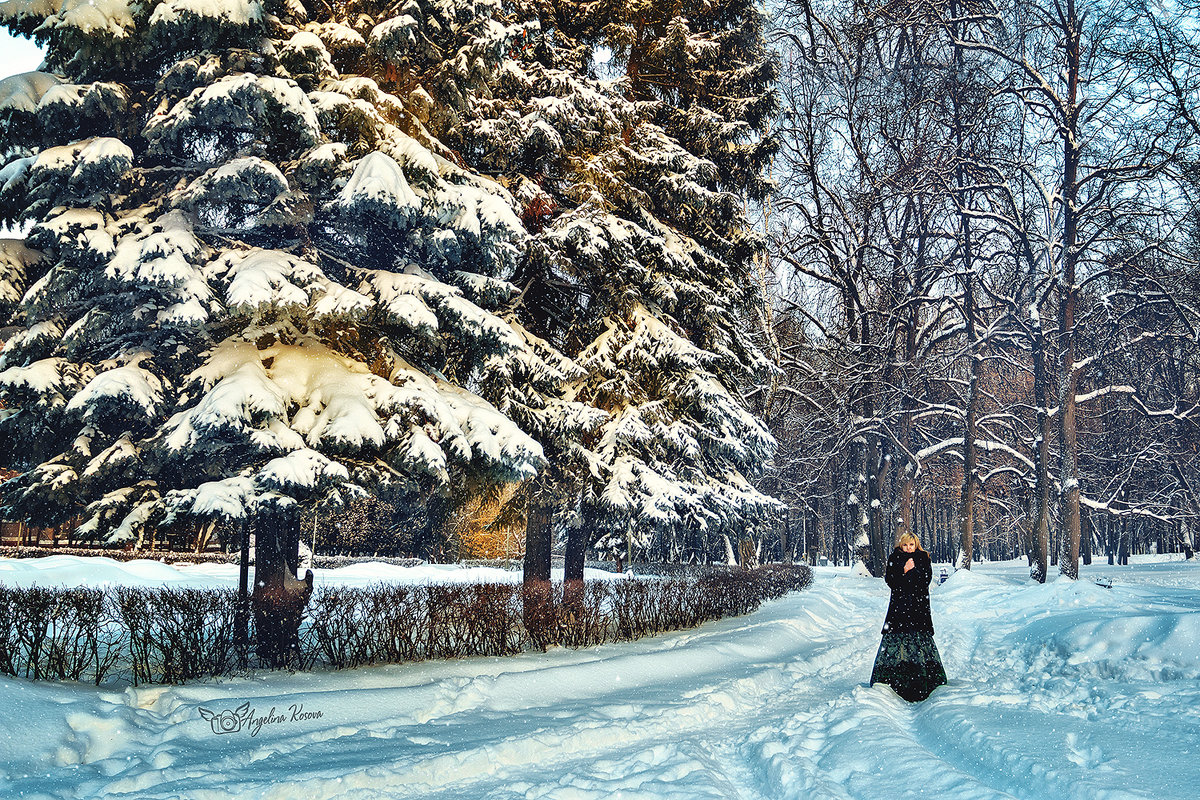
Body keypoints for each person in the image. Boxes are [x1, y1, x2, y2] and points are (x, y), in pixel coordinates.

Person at [869, 532, 947, 701]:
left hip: (918, 607)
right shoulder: (895, 558)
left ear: (916, 544)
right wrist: (904, 571)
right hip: (899, 607)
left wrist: (912, 572)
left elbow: (925, 580)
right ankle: (895, 681)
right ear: (901, 545)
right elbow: (891, 581)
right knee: (898, 640)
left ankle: (923, 681)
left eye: (911, 545)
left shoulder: (923, 557)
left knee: (919, 639)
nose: (908, 548)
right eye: (905, 545)